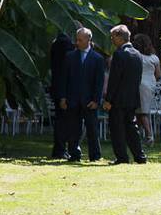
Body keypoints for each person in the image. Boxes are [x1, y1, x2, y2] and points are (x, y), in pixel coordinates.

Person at [58, 27, 104, 162]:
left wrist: (96, 100)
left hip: (89, 100)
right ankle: (74, 154)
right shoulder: (70, 56)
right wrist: (63, 97)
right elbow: (64, 79)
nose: (77, 43)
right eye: (76, 39)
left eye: (80, 40)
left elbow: (99, 82)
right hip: (73, 99)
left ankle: (95, 155)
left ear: (88, 40)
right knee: (73, 129)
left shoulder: (97, 58)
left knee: (92, 130)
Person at [103, 25, 147, 164]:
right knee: (131, 128)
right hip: (132, 98)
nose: (111, 40)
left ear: (119, 37)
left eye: (113, 37)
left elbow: (114, 79)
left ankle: (122, 157)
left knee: (117, 129)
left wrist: (108, 99)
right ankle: (139, 156)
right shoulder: (138, 54)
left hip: (118, 99)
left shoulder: (119, 54)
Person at [132, 33, 161, 146]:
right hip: (150, 85)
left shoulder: (136, 56)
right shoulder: (154, 58)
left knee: (142, 112)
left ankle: (149, 136)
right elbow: (158, 75)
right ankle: (137, 135)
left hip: (139, 85)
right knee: (141, 111)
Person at [49, 32, 75, 159]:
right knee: (64, 121)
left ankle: (60, 149)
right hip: (64, 89)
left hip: (57, 87)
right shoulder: (65, 44)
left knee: (61, 120)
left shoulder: (56, 43)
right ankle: (61, 149)